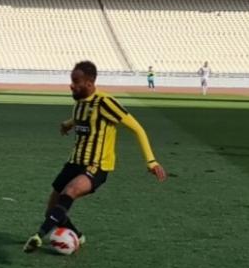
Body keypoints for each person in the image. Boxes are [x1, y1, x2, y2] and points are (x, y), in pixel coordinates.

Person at [23, 61, 167, 253]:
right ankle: (77, 236)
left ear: (89, 83)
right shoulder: (79, 103)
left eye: (76, 81)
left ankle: (39, 236)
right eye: (71, 80)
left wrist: (151, 161)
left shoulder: (105, 102)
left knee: (70, 191)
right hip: (74, 162)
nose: (71, 85)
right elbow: (81, 118)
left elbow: (137, 129)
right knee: (51, 211)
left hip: (96, 165)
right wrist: (67, 124)